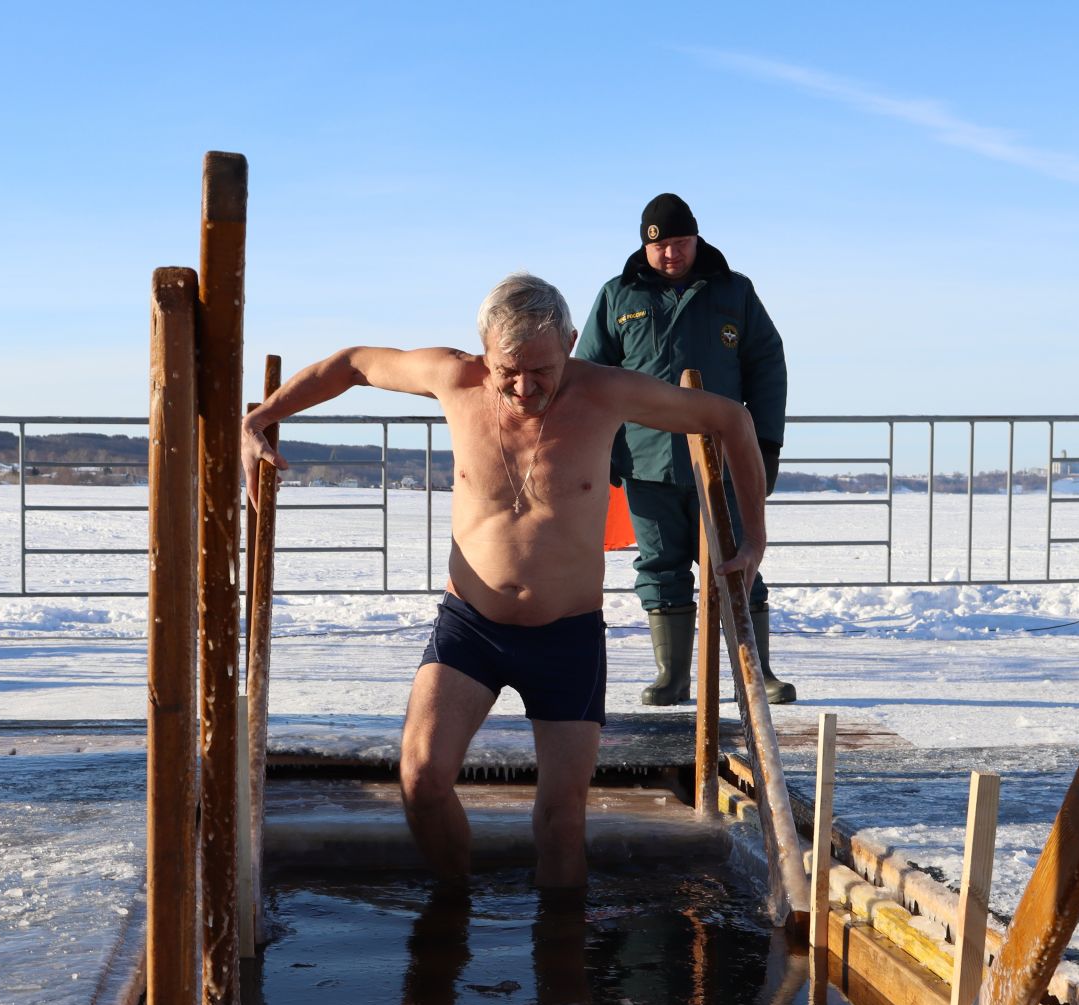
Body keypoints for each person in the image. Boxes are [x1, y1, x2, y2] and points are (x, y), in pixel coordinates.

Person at [241, 273, 767, 894]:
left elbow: (730, 420)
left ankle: (561, 965)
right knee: (421, 781)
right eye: (506, 371)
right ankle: (454, 909)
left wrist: (754, 537)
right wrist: (262, 416)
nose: (523, 388)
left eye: (541, 369)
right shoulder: (454, 378)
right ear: (483, 352)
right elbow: (354, 363)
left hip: (566, 638)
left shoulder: (607, 392)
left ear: (571, 342)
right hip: (471, 626)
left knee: (561, 820)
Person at [575, 193, 795, 705]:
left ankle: (755, 673)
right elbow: (587, 375)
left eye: (679, 243)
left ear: (696, 239)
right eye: (660, 246)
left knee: (739, 561)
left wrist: (764, 444)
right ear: (644, 247)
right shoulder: (617, 296)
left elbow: (767, 365)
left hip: (722, 461)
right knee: (661, 567)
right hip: (645, 460)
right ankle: (671, 677)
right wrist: (596, 450)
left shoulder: (734, 292)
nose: (671, 254)